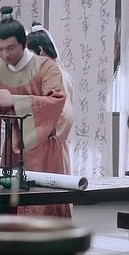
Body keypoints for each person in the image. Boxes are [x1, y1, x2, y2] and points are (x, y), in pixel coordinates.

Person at [0, 6, 70, 218]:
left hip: (42, 147)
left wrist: (13, 101)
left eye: (10, 48)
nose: (5, 54)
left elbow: (56, 100)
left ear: (24, 43)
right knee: (8, 206)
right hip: (11, 148)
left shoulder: (45, 67)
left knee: (41, 209)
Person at [26, 22, 75, 173]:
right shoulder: (38, 75)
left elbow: (66, 115)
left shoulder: (59, 76)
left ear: (40, 51)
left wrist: (43, 133)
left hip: (50, 147)